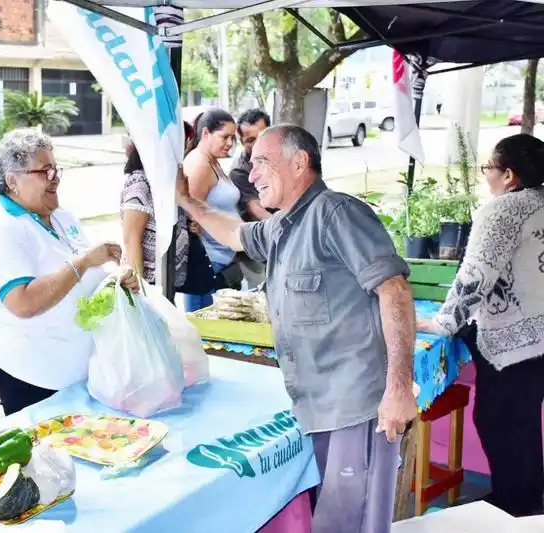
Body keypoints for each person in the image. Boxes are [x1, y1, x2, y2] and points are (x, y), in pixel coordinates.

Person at [177, 124, 417, 533]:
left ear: (299, 161)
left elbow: (394, 291)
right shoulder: (284, 225)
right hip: (319, 406)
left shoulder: (335, 213)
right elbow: (234, 235)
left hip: (355, 404)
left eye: (261, 163)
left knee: (350, 523)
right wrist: (186, 200)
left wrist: (397, 389)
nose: (250, 176)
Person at [417, 133, 544, 518]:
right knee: (522, 423)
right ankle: (527, 499)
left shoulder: (503, 211)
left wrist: (444, 322)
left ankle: (514, 508)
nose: (485, 174)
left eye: (489, 167)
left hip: (513, 341)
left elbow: (475, 277)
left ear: (508, 175)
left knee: (499, 421)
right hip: (538, 337)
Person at [0, 128, 139, 416]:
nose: (55, 178)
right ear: (12, 181)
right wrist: (84, 262)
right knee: (43, 449)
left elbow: (84, 274)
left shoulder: (60, 215)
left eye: (56, 169)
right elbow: (23, 302)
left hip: (70, 366)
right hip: (29, 370)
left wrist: (116, 282)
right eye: (44, 171)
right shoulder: (2, 228)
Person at [182, 108, 242, 312]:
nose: (229, 143)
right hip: (208, 264)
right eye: (224, 137)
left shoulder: (212, 161)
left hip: (221, 261)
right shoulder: (199, 164)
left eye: (232, 138)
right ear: (206, 133)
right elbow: (190, 215)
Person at [120, 122, 193, 286]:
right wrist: (140, 287)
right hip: (151, 284)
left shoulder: (165, 182)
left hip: (167, 280)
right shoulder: (141, 184)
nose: (185, 152)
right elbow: (132, 240)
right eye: (181, 146)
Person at [230, 109, 275, 289]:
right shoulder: (240, 171)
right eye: (250, 140)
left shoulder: (283, 156)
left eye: (262, 136)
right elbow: (255, 208)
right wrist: (289, 228)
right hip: (257, 247)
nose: (258, 144)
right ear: (241, 142)